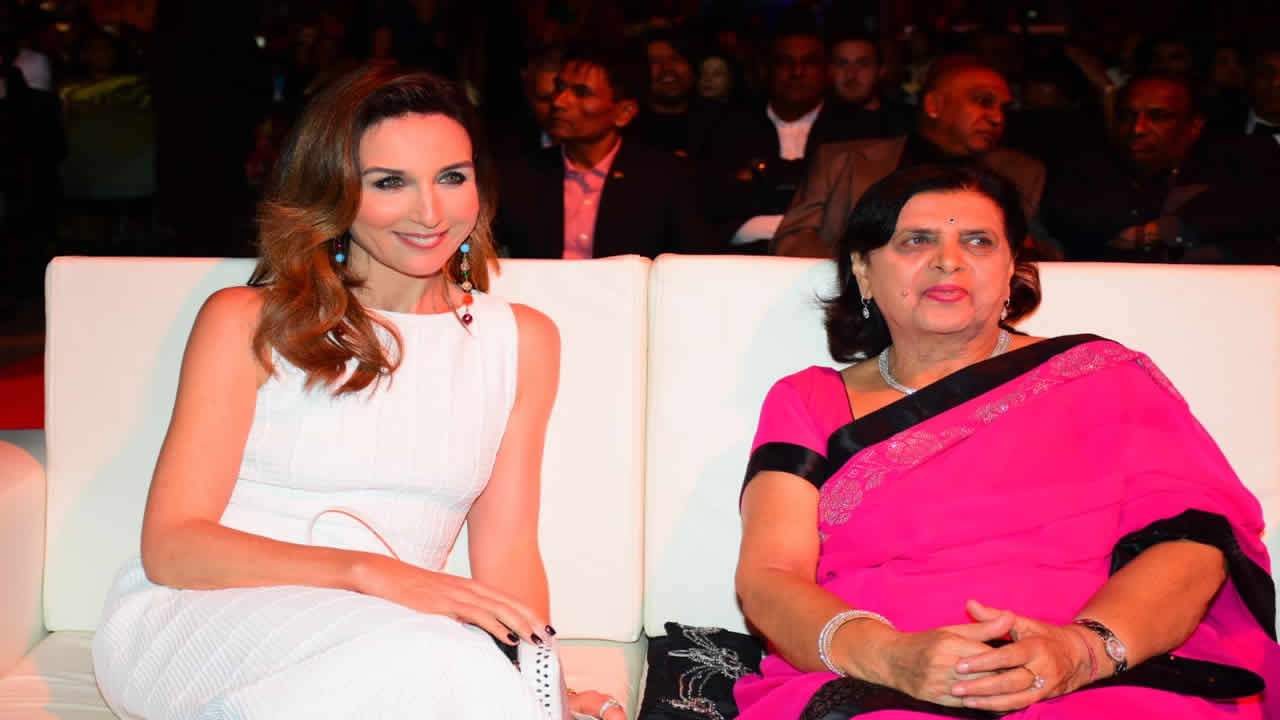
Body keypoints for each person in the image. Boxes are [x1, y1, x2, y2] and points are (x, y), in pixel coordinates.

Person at [90, 63, 623, 720]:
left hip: (389, 640)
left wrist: (545, 686)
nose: (430, 212)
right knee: (444, 662)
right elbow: (172, 547)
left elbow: (508, 553)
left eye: (451, 177)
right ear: (334, 191)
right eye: (390, 182)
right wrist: (374, 576)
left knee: (456, 669)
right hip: (202, 617)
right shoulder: (248, 320)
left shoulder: (522, 340)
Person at [734, 164, 1279, 719]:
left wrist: (1081, 652)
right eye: (916, 240)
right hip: (876, 679)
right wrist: (891, 658)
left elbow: (1194, 542)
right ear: (864, 271)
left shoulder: (1103, 378)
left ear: (1012, 269)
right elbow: (770, 575)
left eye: (978, 241)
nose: (948, 261)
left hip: (1098, 677)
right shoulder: (809, 400)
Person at [773, 57, 1048, 259]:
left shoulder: (1022, 173)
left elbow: (1049, 255)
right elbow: (793, 241)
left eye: (1003, 108)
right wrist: (863, 273)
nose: (997, 118)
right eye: (983, 102)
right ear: (934, 105)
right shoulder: (844, 161)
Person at [1043, 71, 1280, 264]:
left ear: (1194, 126)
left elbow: (1255, 209)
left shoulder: (1237, 161)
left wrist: (1166, 230)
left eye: (1157, 116)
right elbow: (1075, 223)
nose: (1137, 129)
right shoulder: (1086, 167)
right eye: (1128, 115)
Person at [495, 45, 708, 259]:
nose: (559, 102)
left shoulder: (663, 178)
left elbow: (694, 260)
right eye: (560, 88)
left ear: (623, 112)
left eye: (581, 93)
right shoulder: (521, 175)